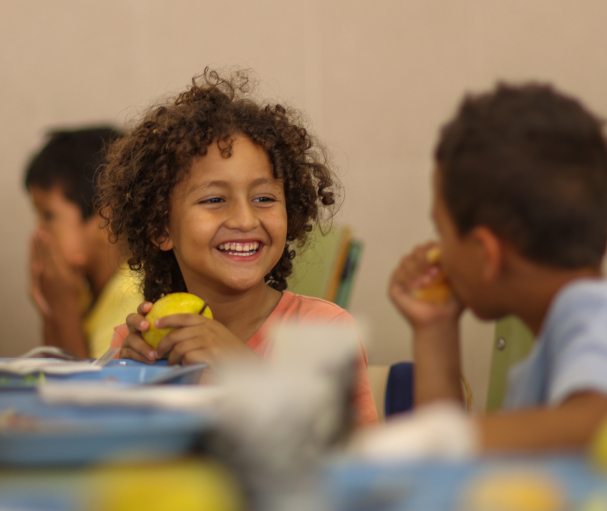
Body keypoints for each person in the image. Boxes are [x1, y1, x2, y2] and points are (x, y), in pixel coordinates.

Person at [389, 83, 607, 452]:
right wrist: (434, 330)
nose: (436, 250)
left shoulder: (593, 313)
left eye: (441, 230)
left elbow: (601, 422)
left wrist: (431, 440)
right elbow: (449, 475)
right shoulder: (566, 340)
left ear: (486, 253)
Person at [97, 69, 378, 426]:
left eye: (264, 198)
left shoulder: (322, 331)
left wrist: (242, 368)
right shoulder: (139, 340)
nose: (245, 220)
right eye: (214, 199)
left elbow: (355, 461)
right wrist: (130, 379)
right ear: (160, 228)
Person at [25, 127, 143, 359]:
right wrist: (52, 314)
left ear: (107, 220)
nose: (38, 233)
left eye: (48, 216)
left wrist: (64, 311)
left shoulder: (131, 295)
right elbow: (52, 370)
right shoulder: (86, 291)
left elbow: (91, 390)